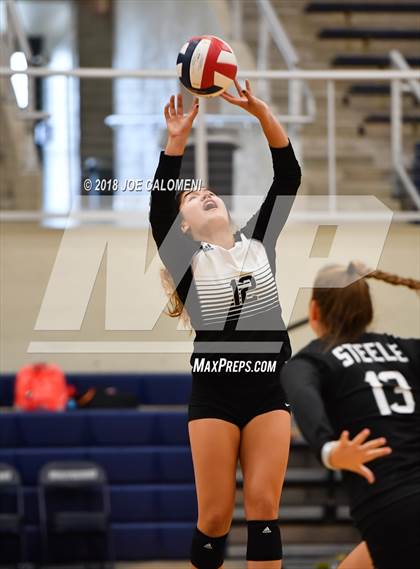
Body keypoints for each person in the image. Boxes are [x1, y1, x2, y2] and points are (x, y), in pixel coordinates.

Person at [149, 79, 301, 569]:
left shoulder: (258, 242)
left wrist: (262, 114)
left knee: (264, 507)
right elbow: (157, 210)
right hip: (214, 396)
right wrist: (175, 143)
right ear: (186, 226)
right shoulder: (188, 259)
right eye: (193, 198)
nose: (204, 193)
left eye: (209, 190)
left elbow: (288, 177)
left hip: (266, 392)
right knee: (214, 517)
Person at [280, 261, 420, 569]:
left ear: (314, 311)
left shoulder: (311, 361)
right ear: (368, 311)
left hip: (392, 509)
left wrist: (329, 449)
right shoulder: (407, 350)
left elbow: (302, 397)